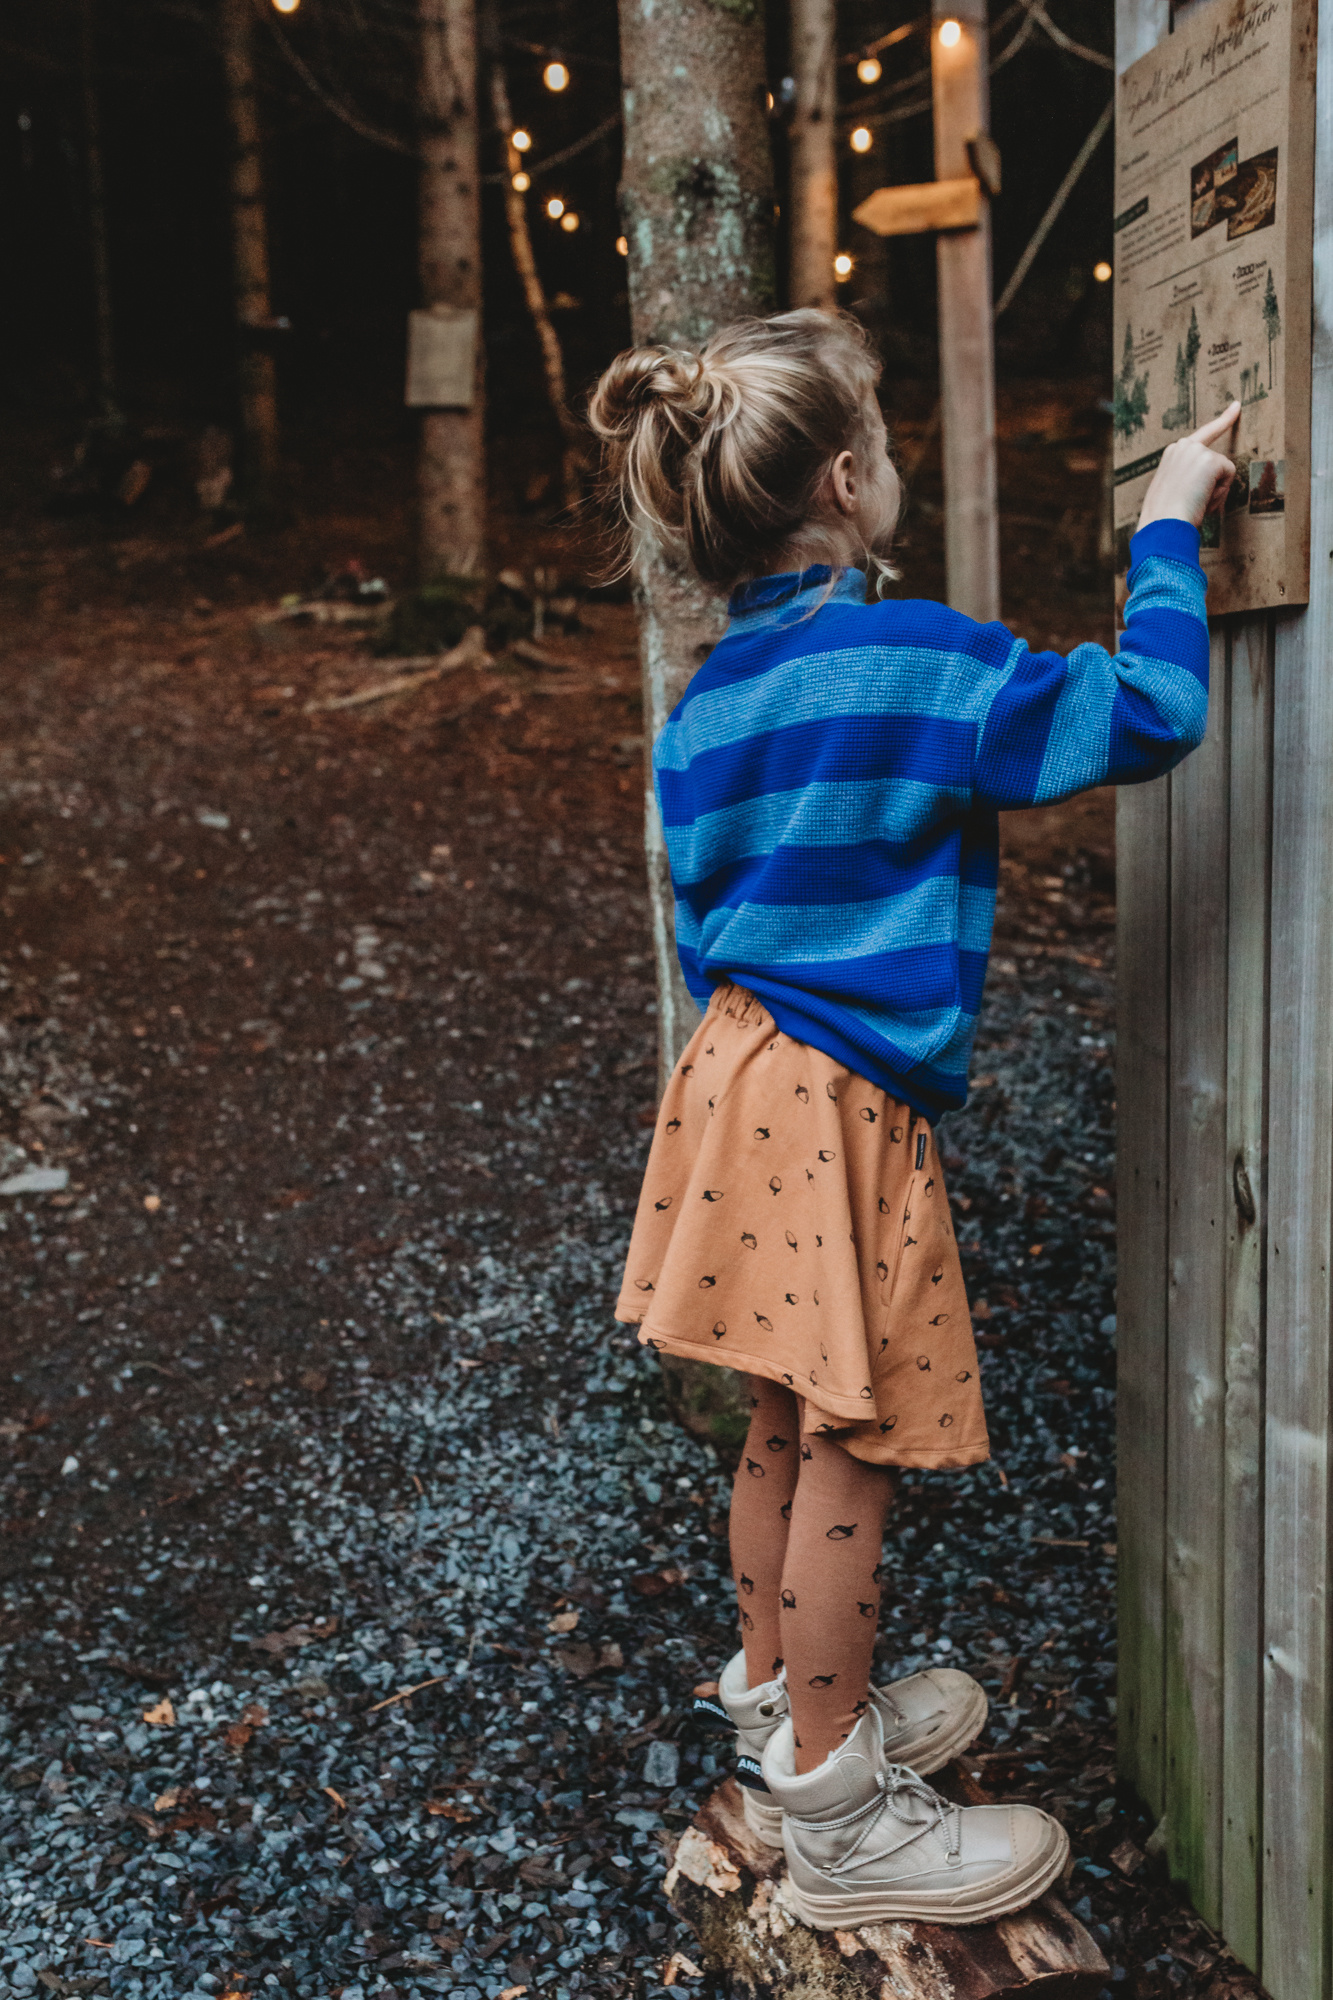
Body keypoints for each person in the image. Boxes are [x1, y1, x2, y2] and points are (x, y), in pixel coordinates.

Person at [590, 310, 1236, 1929]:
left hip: (730, 1072)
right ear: (846, 478)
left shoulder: (701, 707)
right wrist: (1171, 524)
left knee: (777, 1416)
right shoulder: (919, 661)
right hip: (833, 1091)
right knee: (858, 1443)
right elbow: (1145, 714)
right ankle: (839, 1818)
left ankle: (774, 1700)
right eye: (880, 438)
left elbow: (701, 920)